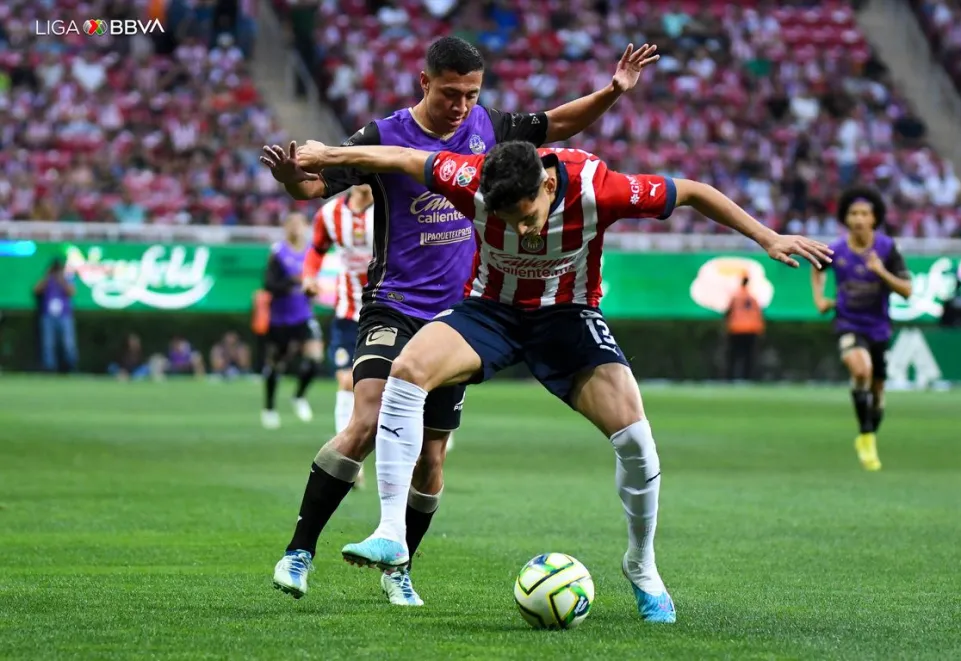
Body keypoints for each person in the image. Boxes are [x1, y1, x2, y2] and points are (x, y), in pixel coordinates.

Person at [296, 139, 830, 622]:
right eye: (505, 217)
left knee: (637, 440)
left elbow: (690, 191)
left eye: (526, 215)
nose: (521, 230)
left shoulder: (601, 188)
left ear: (548, 185)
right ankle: (392, 531)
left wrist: (765, 236)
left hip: (567, 317)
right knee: (407, 371)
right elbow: (403, 158)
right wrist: (331, 155)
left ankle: (641, 566)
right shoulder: (470, 177)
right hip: (491, 311)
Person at [261, 36, 660, 606]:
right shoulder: (383, 136)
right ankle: (299, 551)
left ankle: (399, 566)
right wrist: (287, 177)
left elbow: (555, 125)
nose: (462, 106)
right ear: (425, 82)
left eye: (471, 94)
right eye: (451, 93)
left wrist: (613, 92)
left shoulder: (491, 129)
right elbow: (313, 185)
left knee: (432, 455)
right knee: (368, 418)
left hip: (462, 316)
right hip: (394, 303)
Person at [811, 187, 912, 472]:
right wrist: (819, 298)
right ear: (845, 217)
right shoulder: (837, 249)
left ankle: (868, 433)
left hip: (878, 327)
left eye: (864, 213)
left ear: (874, 218)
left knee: (878, 393)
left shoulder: (887, 249)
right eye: (853, 213)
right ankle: (866, 437)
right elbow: (817, 267)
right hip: (848, 322)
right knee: (860, 370)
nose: (858, 219)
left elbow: (907, 290)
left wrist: (881, 272)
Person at [307, 184, 375, 488]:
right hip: (348, 311)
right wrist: (309, 277)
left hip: (386, 308)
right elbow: (316, 250)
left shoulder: (393, 206)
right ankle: (346, 462)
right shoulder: (330, 213)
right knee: (347, 381)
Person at [261, 211, 323, 430]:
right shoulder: (278, 253)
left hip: (303, 315)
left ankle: (299, 396)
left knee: (315, 358)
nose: (296, 227)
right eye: (292, 223)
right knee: (276, 365)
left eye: (300, 223)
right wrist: (292, 282)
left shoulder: (311, 252)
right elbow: (269, 285)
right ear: (285, 227)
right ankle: (269, 408)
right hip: (281, 318)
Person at [33, 258, 78, 373]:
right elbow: (36, 290)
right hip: (48, 316)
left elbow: (72, 292)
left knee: (68, 343)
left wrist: (61, 279)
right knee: (48, 344)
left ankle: (70, 367)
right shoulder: (47, 280)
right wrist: (47, 277)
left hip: (64, 315)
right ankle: (49, 368)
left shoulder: (66, 279)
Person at [724, 275, 765, 381]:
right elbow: (758, 314)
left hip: (736, 328)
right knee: (749, 356)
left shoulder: (736, 296)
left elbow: (728, 311)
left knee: (734, 355)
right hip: (751, 329)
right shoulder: (752, 297)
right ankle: (748, 377)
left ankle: (731, 377)